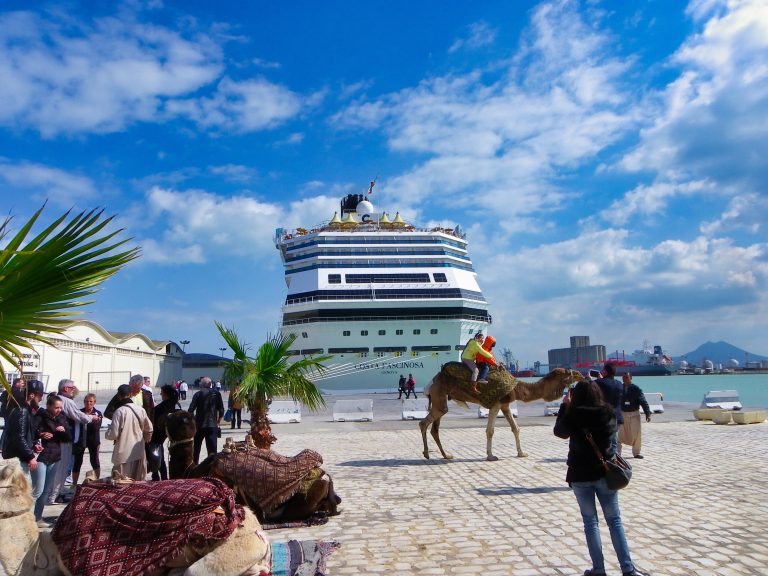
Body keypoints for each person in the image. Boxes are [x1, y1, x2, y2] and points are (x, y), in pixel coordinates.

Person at [554, 380, 650, 576]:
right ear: (598, 394)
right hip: (605, 473)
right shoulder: (608, 412)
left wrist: (565, 405)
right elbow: (612, 442)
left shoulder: (573, 414)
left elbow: (559, 432)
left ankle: (599, 570)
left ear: (576, 395)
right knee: (614, 521)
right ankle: (628, 569)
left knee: (590, 523)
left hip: (580, 475)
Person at [48, 379, 99, 504]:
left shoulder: (59, 399)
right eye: (72, 387)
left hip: (61, 439)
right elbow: (78, 416)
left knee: (60, 469)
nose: (74, 390)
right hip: (63, 440)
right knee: (61, 469)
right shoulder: (66, 400)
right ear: (66, 388)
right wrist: (92, 417)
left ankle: (55, 493)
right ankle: (53, 496)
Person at [2, 380, 46, 517]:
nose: (41, 399)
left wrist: (33, 444)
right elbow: (19, 437)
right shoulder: (22, 410)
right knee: (25, 496)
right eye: (39, 396)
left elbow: (22, 435)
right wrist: (30, 456)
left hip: (17, 457)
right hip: (19, 460)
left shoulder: (20, 408)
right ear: (32, 395)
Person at [34, 394, 71, 527]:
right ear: (48, 406)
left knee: (45, 490)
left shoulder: (62, 418)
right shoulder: (40, 416)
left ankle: (37, 518)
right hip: (41, 456)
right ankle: (27, 518)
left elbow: (68, 438)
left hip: (55, 456)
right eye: (56, 407)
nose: (59, 410)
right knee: (37, 490)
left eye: (60, 408)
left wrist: (63, 431)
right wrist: (41, 434)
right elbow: (31, 432)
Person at [105, 384, 154, 480]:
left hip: (123, 454)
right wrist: (146, 439)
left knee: (121, 483)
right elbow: (149, 429)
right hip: (139, 451)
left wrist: (107, 433)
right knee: (137, 483)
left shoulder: (119, 412)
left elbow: (113, 434)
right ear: (131, 394)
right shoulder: (141, 410)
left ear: (118, 396)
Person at [188, 376, 224, 464]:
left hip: (199, 425)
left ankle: (194, 466)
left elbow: (190, 410)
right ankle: (211, 469)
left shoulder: (198, 394)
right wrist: (219, 420)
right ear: (210, 384)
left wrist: (193, 421)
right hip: (212, 425)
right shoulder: (217, 394)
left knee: (196, 449)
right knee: (212, 451)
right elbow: (221, 409)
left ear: (202, 385)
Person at [149, 384, 181, 481]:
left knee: (155, 455)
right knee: (160, 454)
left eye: (162, 393)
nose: (160, 394)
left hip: (157, 433)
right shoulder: (174, 404)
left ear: (166, 395)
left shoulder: (162, 407)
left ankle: (157, 475)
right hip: (166, 434)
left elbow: (155, 419)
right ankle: (162, 476)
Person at [71, 393, 103, 485]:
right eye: (86, 401)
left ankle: (97, 481)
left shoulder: (98, 413)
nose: (88, 403)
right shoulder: (79, 412)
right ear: (84, 402)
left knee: (94, 461)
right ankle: (74, 483)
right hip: (80, 441)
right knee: (77, 462)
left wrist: (87, 419)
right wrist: (90, 419)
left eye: (91, 401)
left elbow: (96, 427)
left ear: (94, 402)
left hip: (93, 440)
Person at [618, 373, 652, 459]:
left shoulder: (636, 389)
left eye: (626, 377)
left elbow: (643, 401)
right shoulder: (619, 388)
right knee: (619, 434)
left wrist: (647, 413)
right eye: (623, 377)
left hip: (634, 414)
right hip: (622, 414)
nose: (624, 379)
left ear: (631, 378)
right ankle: (617, 453)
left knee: (636, 434)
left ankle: (636, 452)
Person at [595, 363, 623, 455]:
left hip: (604, 417)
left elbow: (588, 386)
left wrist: (599, 379)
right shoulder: (619, 384)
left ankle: (609, 462)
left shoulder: (599, 382)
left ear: (605, 372)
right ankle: (614, 459)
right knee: (614, 441)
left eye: (603, 370)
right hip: (616, 416)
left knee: (604, 442)